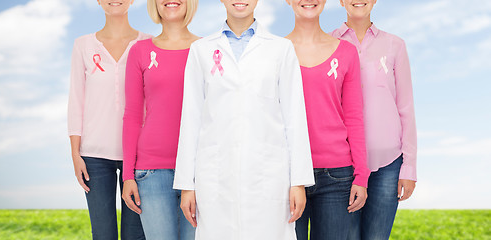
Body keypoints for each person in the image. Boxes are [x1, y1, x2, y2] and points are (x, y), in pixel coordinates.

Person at [173, 0, 315, 239]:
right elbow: (191, 119)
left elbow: (295, 118)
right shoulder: (201, 50)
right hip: (216, 176)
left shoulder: (281, 49)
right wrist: (187, 184)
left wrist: (299, 181)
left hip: (269, 176)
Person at [331, 0, 417, 239]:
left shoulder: (395, 45)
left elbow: (406, 107)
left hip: (388, 164)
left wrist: (409, 167)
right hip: (342, 164)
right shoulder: (328, 44)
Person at [284, 0, 369, 239]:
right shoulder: (276, 52)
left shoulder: (346, 52)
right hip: (287, 174)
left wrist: (361, 175)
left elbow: (354, 116)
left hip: (337, 176)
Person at [67, 0, 150, 239]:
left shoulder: (148, 43)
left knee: (136, 234)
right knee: (102, 233)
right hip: (93, 156)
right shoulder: (82, 45)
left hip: (138, 155)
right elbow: (76, 101)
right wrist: (75, 153)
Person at [120, 0, 199, 239]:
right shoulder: (140, 51)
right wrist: (127, 176)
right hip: (151, 173)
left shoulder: (206, 49)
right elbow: (132, 115)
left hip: (198, 170)